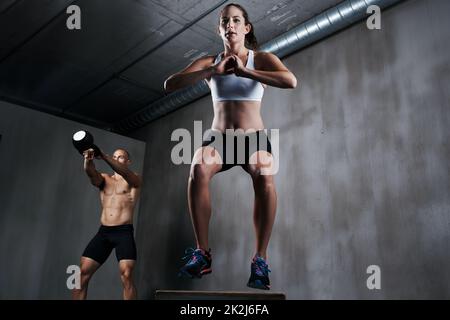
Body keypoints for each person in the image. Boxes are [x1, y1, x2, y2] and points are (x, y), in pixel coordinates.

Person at [164, 3, 297, 290]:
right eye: (225, 21)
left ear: (246, 28)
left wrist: (246, 73)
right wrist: (213, 69)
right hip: (219, 138)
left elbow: (290, 80)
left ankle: (260, 259)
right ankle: (203, 252)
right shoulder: (209, 62)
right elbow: (170, 84)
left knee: (264, 171)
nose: (230, 25)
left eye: (236, 20)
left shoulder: (261, 59)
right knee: (199, 167)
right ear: (220, 28)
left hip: (253, 138)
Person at [72, 148, 141, 300]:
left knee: (127, 275)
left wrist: (104, 156)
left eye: (121, 157)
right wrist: (88, 160)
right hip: (104, 233)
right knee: (81, 274)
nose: (117, 159)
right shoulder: (104, 179)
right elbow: (91, 173)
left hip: (123, 232)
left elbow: (125, 173)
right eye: (115, 156)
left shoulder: (134, 179)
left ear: (128, 161)